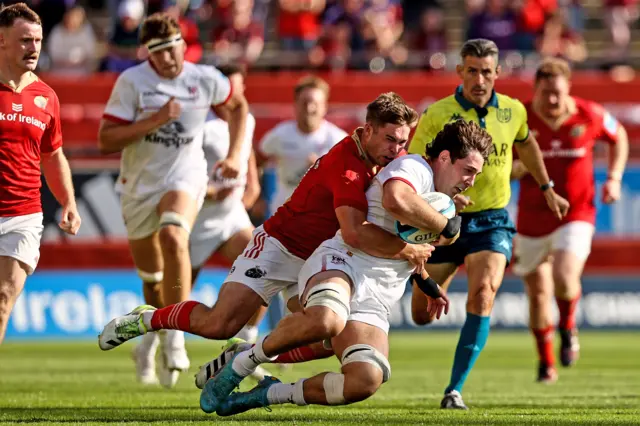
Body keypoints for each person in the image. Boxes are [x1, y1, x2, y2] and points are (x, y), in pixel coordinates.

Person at [98, 93, 442, 371]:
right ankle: (148, 319)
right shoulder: (348, 166)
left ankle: (241, 358)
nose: (397, 150)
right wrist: (406, 250)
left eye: (402, 141)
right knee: (220, 325)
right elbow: (354, 233)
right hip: (279, 246)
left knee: (326, 337)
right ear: (367, 130)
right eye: (390, 139)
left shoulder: (384, 163)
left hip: (317, 260)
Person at [200, 119, 493, 416]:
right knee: (326, 321)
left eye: (476, 175)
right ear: (444, 158)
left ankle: (268, 393)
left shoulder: (442, 202)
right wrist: (446, 225)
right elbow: (395, 198)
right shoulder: (416, 168)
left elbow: (408, 249)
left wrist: (428, 284)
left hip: (378, 295)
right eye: (468, 170)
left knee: (365, 379)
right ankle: (240, 365)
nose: (471, 180)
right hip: (344, 263)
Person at [408, 38, 570, 410]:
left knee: (483, 293)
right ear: (460, 72)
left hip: (493, 221)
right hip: (444, 221)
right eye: (471, 70)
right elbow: (416, 166)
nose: (479, 79)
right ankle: (434, 292)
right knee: (419, 315)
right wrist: (444, 196)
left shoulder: (513, 111)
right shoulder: (437, 114)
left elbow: (526, 145)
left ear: (497, 73)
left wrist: (546, 187)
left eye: (486, 71)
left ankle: (454, 389)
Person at [97, 12, 249, 388]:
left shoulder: (204, 79)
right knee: (152, 282)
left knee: (174, 237)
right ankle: (158, 336)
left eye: (172, 47)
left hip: (186, 176)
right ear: (147, 53)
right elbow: (106, 139)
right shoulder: (132, 82)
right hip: (139, 186)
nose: (167, 58)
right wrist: (155, 120)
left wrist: (235, 156)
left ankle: (177, 334)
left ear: (184, 44)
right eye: (158, 51)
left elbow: (240, 107)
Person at [511, 57, 629, 383]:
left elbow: (618, 136)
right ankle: (546, 361)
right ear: (535, 90)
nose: (552, 100)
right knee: (537, 293)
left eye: (558, 93)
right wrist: (517, 169)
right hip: (532, 217)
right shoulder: (519, 117)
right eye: (546, 93)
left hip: (576, 212)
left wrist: (615, 177)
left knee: (564, 275)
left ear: (569, 89)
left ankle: (567, 325)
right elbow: (499, 165)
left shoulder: (588, 113)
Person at [0, 3, 81, 345]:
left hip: (23, 214)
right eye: (24, 40)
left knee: (4, 298)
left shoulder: (47, 97)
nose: (33, 48)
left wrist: (69, 202)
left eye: (37, 40)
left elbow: (52, 155)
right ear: (1, 40)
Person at [188, 63, 268, 361]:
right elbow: (182, 173)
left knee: (264, 264)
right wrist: (210, 192)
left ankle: (245, 346)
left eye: (238, 88)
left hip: (230, 217)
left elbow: (249, 169)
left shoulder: (246, 119)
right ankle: (153, 344)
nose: (232, 96)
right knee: (173, 295)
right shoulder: (198, 123)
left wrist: (247, 194)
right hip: (196, 219)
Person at [258, 75, 347, 217]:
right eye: (304, 102)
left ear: (325, 106)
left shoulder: (339, 140)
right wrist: (258, 196)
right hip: (284, 215)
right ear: (295, 104)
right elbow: (257, 160)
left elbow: (349, 182)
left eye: (315, 103)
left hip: (323, 218)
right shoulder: (280, 134)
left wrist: (324, 171)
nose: (309, 108)